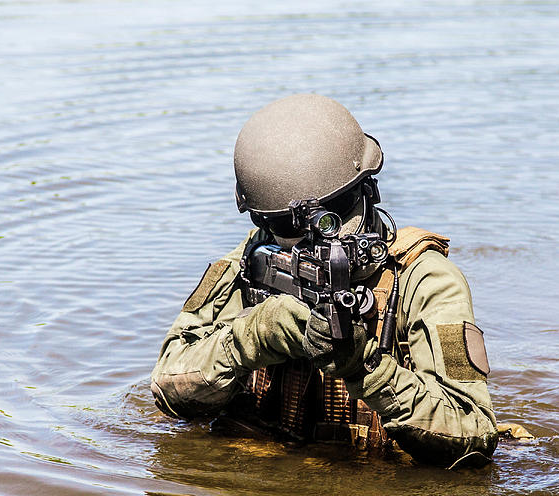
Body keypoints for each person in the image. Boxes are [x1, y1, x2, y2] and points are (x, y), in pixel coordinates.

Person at [151, 94, 498, 468]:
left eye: (335, 216)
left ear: (367, 190)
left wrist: (365, 367)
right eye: (286, 228)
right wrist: (254, 335)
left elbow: (472, 433)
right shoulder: (250, 262)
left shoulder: (426, 280)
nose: (316, 244)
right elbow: (168, 388)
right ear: (262, 220)